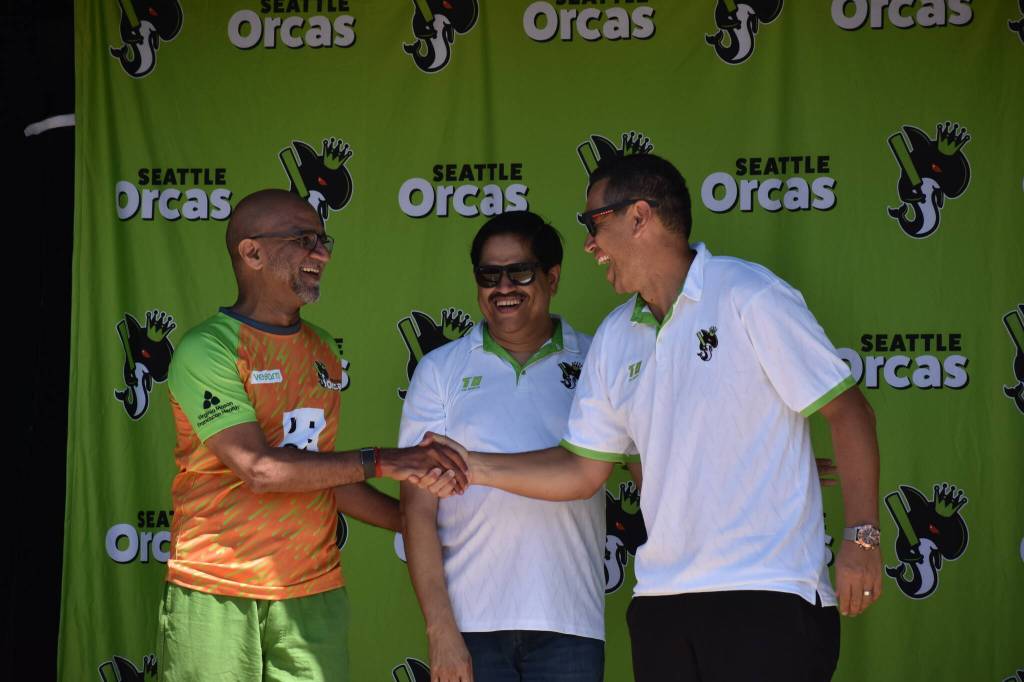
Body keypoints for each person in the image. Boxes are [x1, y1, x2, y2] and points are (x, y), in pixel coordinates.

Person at [461, 154, 882, 682]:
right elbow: (582, 470)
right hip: (661, 601)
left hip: (768, 591)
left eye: (594, 223)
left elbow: (849, 412)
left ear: (639, 216)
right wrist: (472, 467)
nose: (589, 244)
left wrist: (862, 539)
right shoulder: (615, 336)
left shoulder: (748, 294)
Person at [156, 189, 467, 682]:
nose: (320, 253)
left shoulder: (321, 350)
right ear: (251, 252)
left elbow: (319, 473)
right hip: (216, 590)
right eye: (303, 240)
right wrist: (386, 460)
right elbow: (260, 470)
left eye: (323, 240)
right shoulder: (207, 349)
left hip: (312, 594)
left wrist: (411, 523)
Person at [401, 211, 612, 682]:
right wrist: (441, 631)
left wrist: (472, 466)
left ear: (552, 277)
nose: (504, 287)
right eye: (488, 274)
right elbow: (417, 511)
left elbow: (600, 470)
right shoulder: (438, 370)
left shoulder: (598, 358)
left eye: (520, 272)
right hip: (470, 624)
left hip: (569, 621)